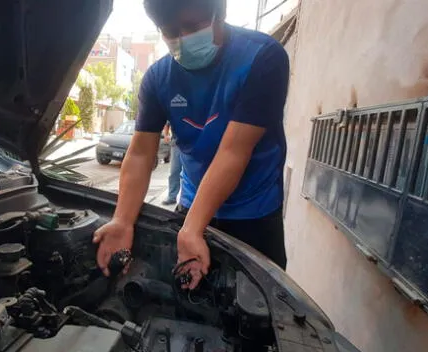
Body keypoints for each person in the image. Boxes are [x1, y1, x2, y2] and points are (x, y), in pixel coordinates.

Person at [93, 0, 290, 290]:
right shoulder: (158, 78)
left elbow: (233, 152)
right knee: (185, 299)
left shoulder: (263, 58)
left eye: (192, 27)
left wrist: (193, 229)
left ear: (220, 14)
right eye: (170, 31)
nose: (182, 40)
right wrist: (123, 220)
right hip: (192, 205)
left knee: (258, 307)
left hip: (254, 212)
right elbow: (140, 153)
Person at [162, 121, 182, 206]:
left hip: (194, 143)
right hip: (176, 144)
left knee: (193, 172)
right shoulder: (176, 108)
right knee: (175, 171)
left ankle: (190, 199)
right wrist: (166, 135)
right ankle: (172, 197)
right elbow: (167, 124)